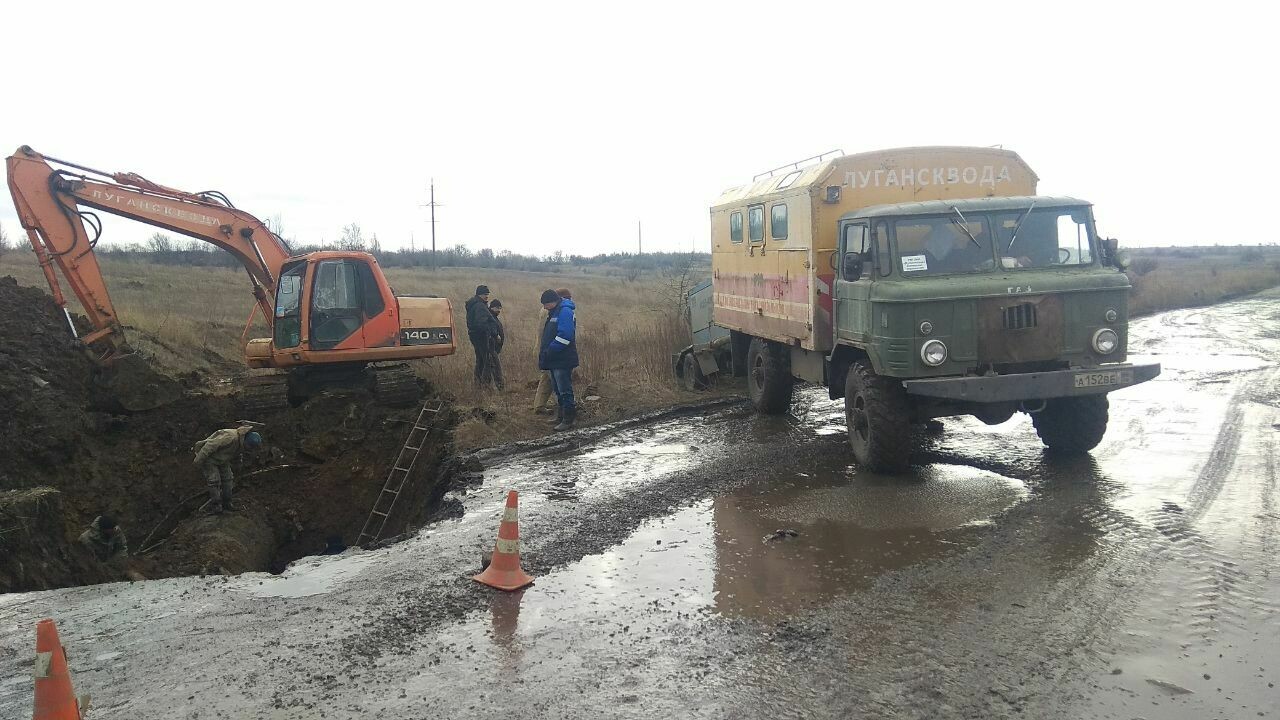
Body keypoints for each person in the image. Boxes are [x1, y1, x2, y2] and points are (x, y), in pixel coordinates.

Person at [193, 425, 262, 514]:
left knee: (228, 479)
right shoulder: (231, 437)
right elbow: (211, 446)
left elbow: (237, 454)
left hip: (223, 460)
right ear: (246, 441)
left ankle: (227, 503)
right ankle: (216, 506)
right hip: (209, 458)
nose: (249, 449)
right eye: (250, 447)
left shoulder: (242, 444)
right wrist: (198, 460)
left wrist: (238, 466)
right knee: (214, 481)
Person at [538, 288, 579, 431]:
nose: (544, 307)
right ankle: (560, 416)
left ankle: (569, 419)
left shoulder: (565, 311)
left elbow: (565, 336)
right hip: (555, 359)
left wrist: (550, 350)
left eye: (545, 304)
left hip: (563, 359)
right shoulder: (554, 312)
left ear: (552, 302)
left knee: (564, 390)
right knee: (557, 389)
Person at [533, 288, 572, 413]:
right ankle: (561, 410)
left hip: (546, 350)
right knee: (556, 383)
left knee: (549, 380)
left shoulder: (555, 310)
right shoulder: (552, 311)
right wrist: (549, 350)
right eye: (567, 298)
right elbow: (556, 334)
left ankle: (542, 406)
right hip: (550, 351)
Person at [465, 285, 498, 386]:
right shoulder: (480, 306)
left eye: (487, 294)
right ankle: (485, 385)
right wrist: (491, 332)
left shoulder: (474, 304)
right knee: (487, 361)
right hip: (482, 337)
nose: (487, 296)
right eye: (485, 294)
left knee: (480, 360)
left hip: (475, 336)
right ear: (479, 294)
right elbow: (481, 323)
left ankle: (478, 384)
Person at [480, 298, 505, 390]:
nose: (499, 310)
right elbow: (489, 330)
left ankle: (485, 388)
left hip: (493, 347)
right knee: (495, 368)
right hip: (490, 347)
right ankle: (499, 388)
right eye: (497, 308)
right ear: (492, 307)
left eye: (500, 308)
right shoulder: (489, 317)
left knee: (488, 368)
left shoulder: (493, 317)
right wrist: (495, 336)